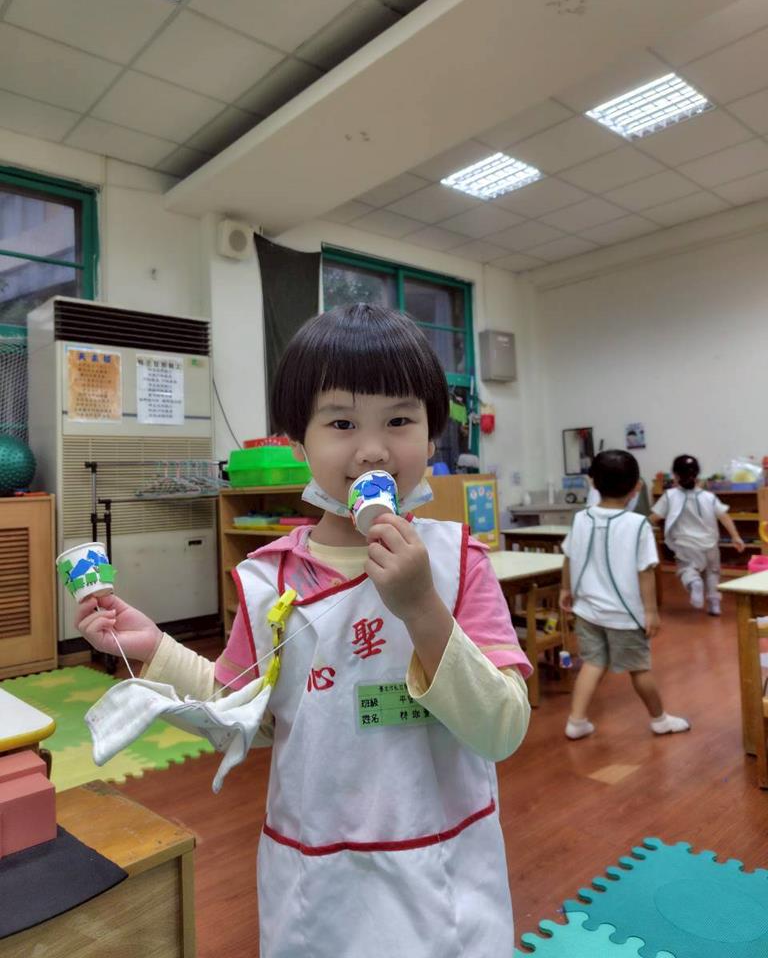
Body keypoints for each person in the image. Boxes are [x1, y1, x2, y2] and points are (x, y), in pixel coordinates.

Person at [76, 303, 532, 957]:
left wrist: (421, 607)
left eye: (400, 420)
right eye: (342, 422)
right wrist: (156, 651)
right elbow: (246, 715)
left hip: (444, 872)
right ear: (298, 445)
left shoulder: (460, 563)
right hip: (316, 876)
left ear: (433, 438)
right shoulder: (269, 579)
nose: (373, 449)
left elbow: (502, 730)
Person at [560, 450, 690, 741]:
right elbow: (646, 571)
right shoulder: (638, 524)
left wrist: (565, 589)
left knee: (593, 663)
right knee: (639, 669)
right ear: (637, 487)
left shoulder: (580, 518)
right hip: (624, 616)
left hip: (587, 611)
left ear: (592, 482)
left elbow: (568, 557)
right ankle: (660, 720)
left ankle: (576, 721)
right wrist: (651, 611)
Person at [649, 454, 745, 616]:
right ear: (698, 475)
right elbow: (724, 516)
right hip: (710, 545)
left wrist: (641, 524)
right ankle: (714, 605)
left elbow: (655, 517)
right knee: (712, 573)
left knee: (687, 570)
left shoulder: (670, 496)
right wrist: (735, 536)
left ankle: (694, 583)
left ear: (675, 476)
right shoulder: (709, 497)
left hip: (686, 546)